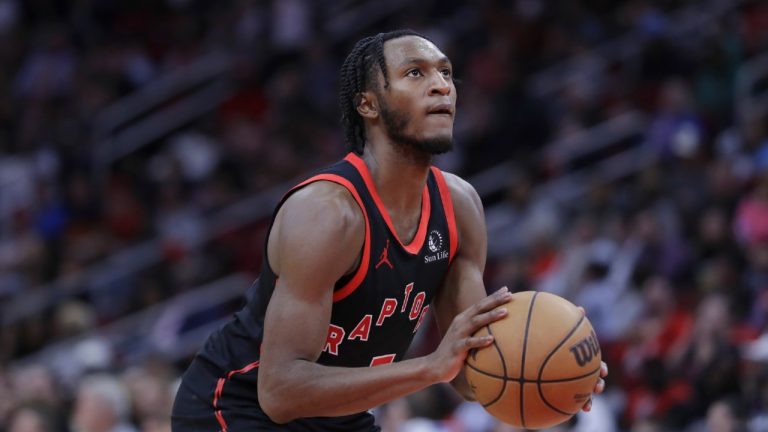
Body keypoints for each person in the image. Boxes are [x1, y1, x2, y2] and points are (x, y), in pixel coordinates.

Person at [171, 29, 607, 431]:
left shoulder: (460, 207)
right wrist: (431, 367)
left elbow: (472, 375)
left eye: (447, 73)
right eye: (415, 73)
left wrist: (559, 375)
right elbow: (280, 393)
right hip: (235, 409)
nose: (441, 86)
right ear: (368, 104)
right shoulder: (329, 214)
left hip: (338, 418)